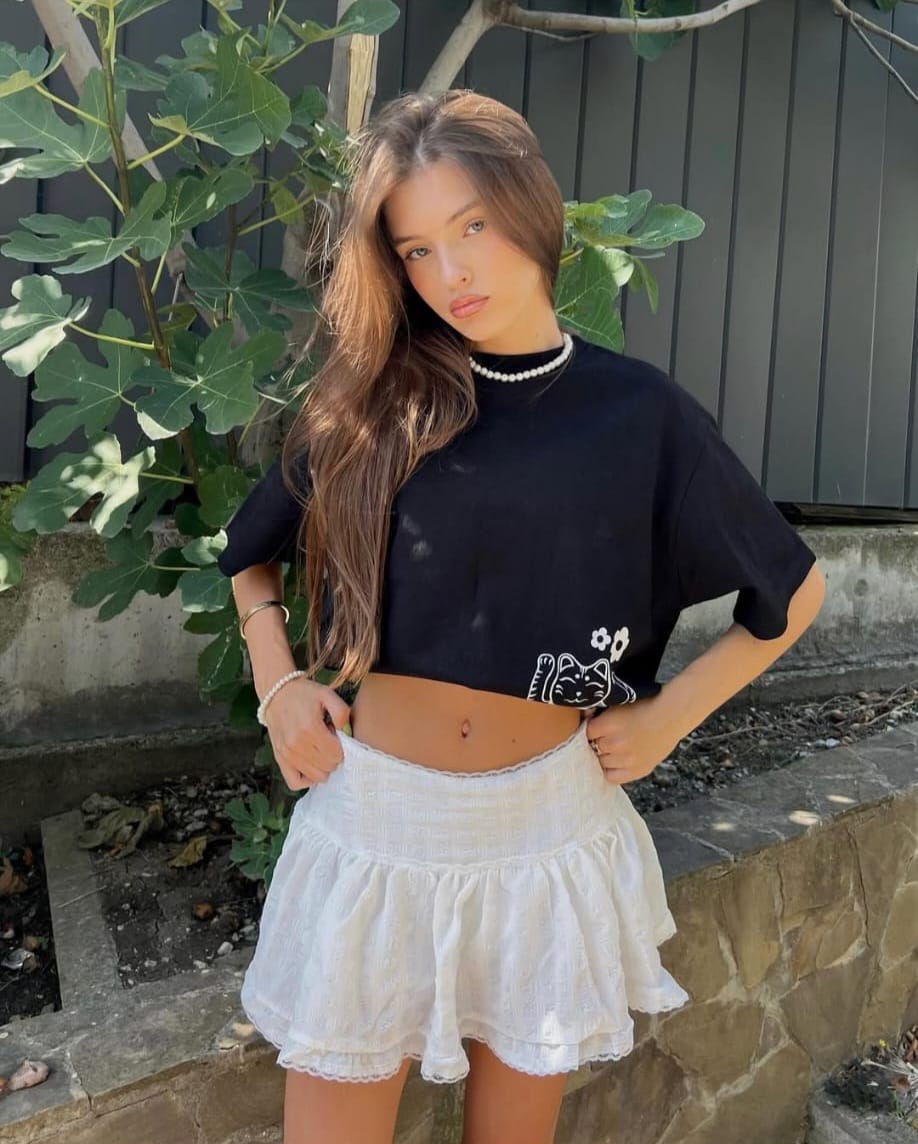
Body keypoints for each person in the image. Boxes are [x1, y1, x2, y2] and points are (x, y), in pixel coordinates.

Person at [217, 89, 826, 1144]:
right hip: (377, 830)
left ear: (530, 209)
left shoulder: (639, 414)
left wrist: (669, 718)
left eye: (472, 228)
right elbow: (249, 553)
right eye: (416, 250)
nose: (450, 272)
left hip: (548, 831)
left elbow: (792, 589)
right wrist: (279, 684)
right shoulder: (375, 399)